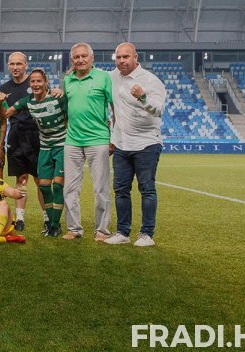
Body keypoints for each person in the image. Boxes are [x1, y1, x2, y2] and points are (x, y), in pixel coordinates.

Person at [104, 42, 166, 247]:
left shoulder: (151, 81)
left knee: (147, 189)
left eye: (126, 57)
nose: (122, 61)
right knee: (121, 189)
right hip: (121, 143)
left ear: (135, 57)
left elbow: (159, 110)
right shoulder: (112, 77)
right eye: (118, 57)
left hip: (146, 143)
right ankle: (123, 232)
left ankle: (147, 234)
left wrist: (143, 97)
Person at [5, 68, 68, 238]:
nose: (35, 84)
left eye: (39, 81)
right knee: (44, 186)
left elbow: (71, 115)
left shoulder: (57, 98)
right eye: (32, 81)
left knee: (58, 185)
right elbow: (6, 113)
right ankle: (50, 223)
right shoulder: (27, 101)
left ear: (46, 82)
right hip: (45, 147)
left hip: (61, 145)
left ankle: (54, 225)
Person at [61, 42, 113, 242]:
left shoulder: (103, 77)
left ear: (92, 58)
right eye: (76, 57)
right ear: (72, 60)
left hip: (98, 139)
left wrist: (114, 136)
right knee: (70, 188)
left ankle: (102, 230)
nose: (80, 60)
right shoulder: (68, 80)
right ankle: (74, 229)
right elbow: (67, 109)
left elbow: (115, 107)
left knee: (101, 188)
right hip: (72, 140)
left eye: (84, 56)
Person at [0, 52, 45, 232]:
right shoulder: (4, 88)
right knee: (21, 178)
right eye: (12, 64)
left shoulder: (33, 83)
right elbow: (2, 116)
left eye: (19, 63)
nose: (15, 67)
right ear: (8, 66)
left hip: (36, 134)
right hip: (15, 135)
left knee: (40, 179)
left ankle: (47, 218)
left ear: (26, 65)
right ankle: (19, 219)